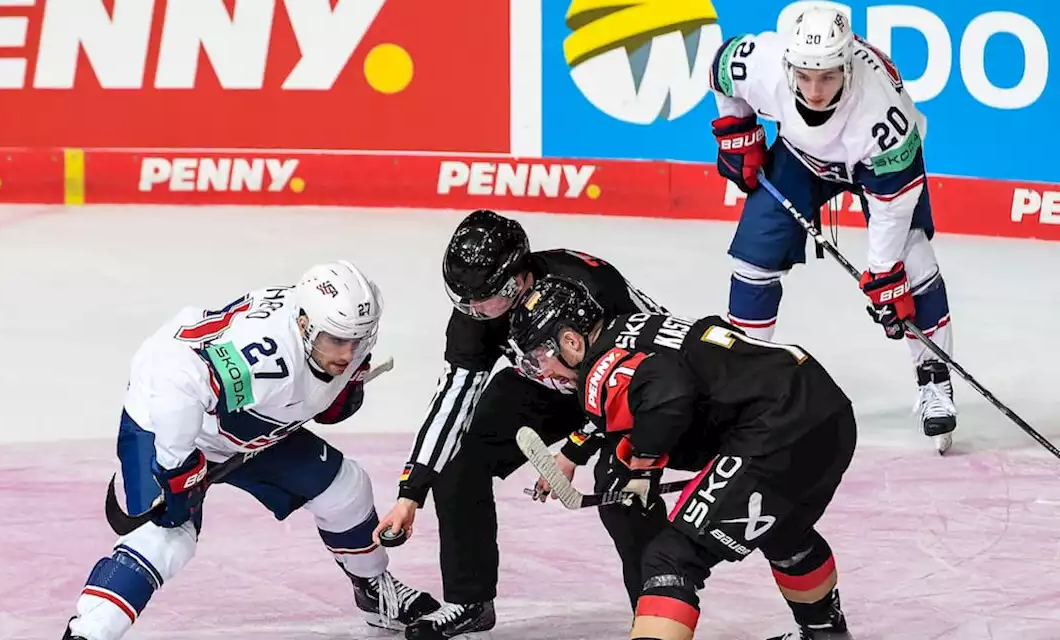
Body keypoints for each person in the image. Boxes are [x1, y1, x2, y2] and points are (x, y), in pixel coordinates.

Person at [62, 260, 439, 640]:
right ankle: (88, 633)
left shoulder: (334, 327)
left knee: (345, 488)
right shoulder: (266, 358)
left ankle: (375, 592)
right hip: (171, 425)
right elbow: (177, 374)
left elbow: (325, 374)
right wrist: (177, 466)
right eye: (337, 341)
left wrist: (341, 385)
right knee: (167, 539)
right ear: (305, 326)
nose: (347, 352)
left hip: (247, 425)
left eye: (358, 340)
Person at [508, 275, 858, 639]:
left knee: (671, 557)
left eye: (539, 357)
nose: (543, 371)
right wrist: (573, 453)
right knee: (783, 530)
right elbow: (650, 384)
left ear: (570, 341)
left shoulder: (602, 368)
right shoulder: (630, 328)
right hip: (825, 410)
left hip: (774, 432)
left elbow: (667, 390)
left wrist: (643, 466)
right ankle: (825, 633)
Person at [373, 209, 669, 639]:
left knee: (622, 491)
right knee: (458, 459)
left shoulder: (591, 282)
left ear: (518, 279)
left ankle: (657, 617)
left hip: (622, 387)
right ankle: (469, 599)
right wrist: (411, 491)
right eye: (462, 301)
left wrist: (577, 447)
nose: (473, 312)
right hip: (548, 387)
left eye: (483, 300)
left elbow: (660, 348)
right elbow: (451, 401)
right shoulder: (476, 316)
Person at [709, 6, 957, 453]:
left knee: (914, 262)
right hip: (801, 159)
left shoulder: (881, 118)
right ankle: (742, 384)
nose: (815, 90)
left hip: (879, 170)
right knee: (752, 261)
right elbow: (721, 66)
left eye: (827, 77)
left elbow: (892, 207)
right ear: (788, 65)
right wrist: (736, 130)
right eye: (804, 77)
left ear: (846, 65)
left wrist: (884, 274)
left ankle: (934, 379)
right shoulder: (764, 63)